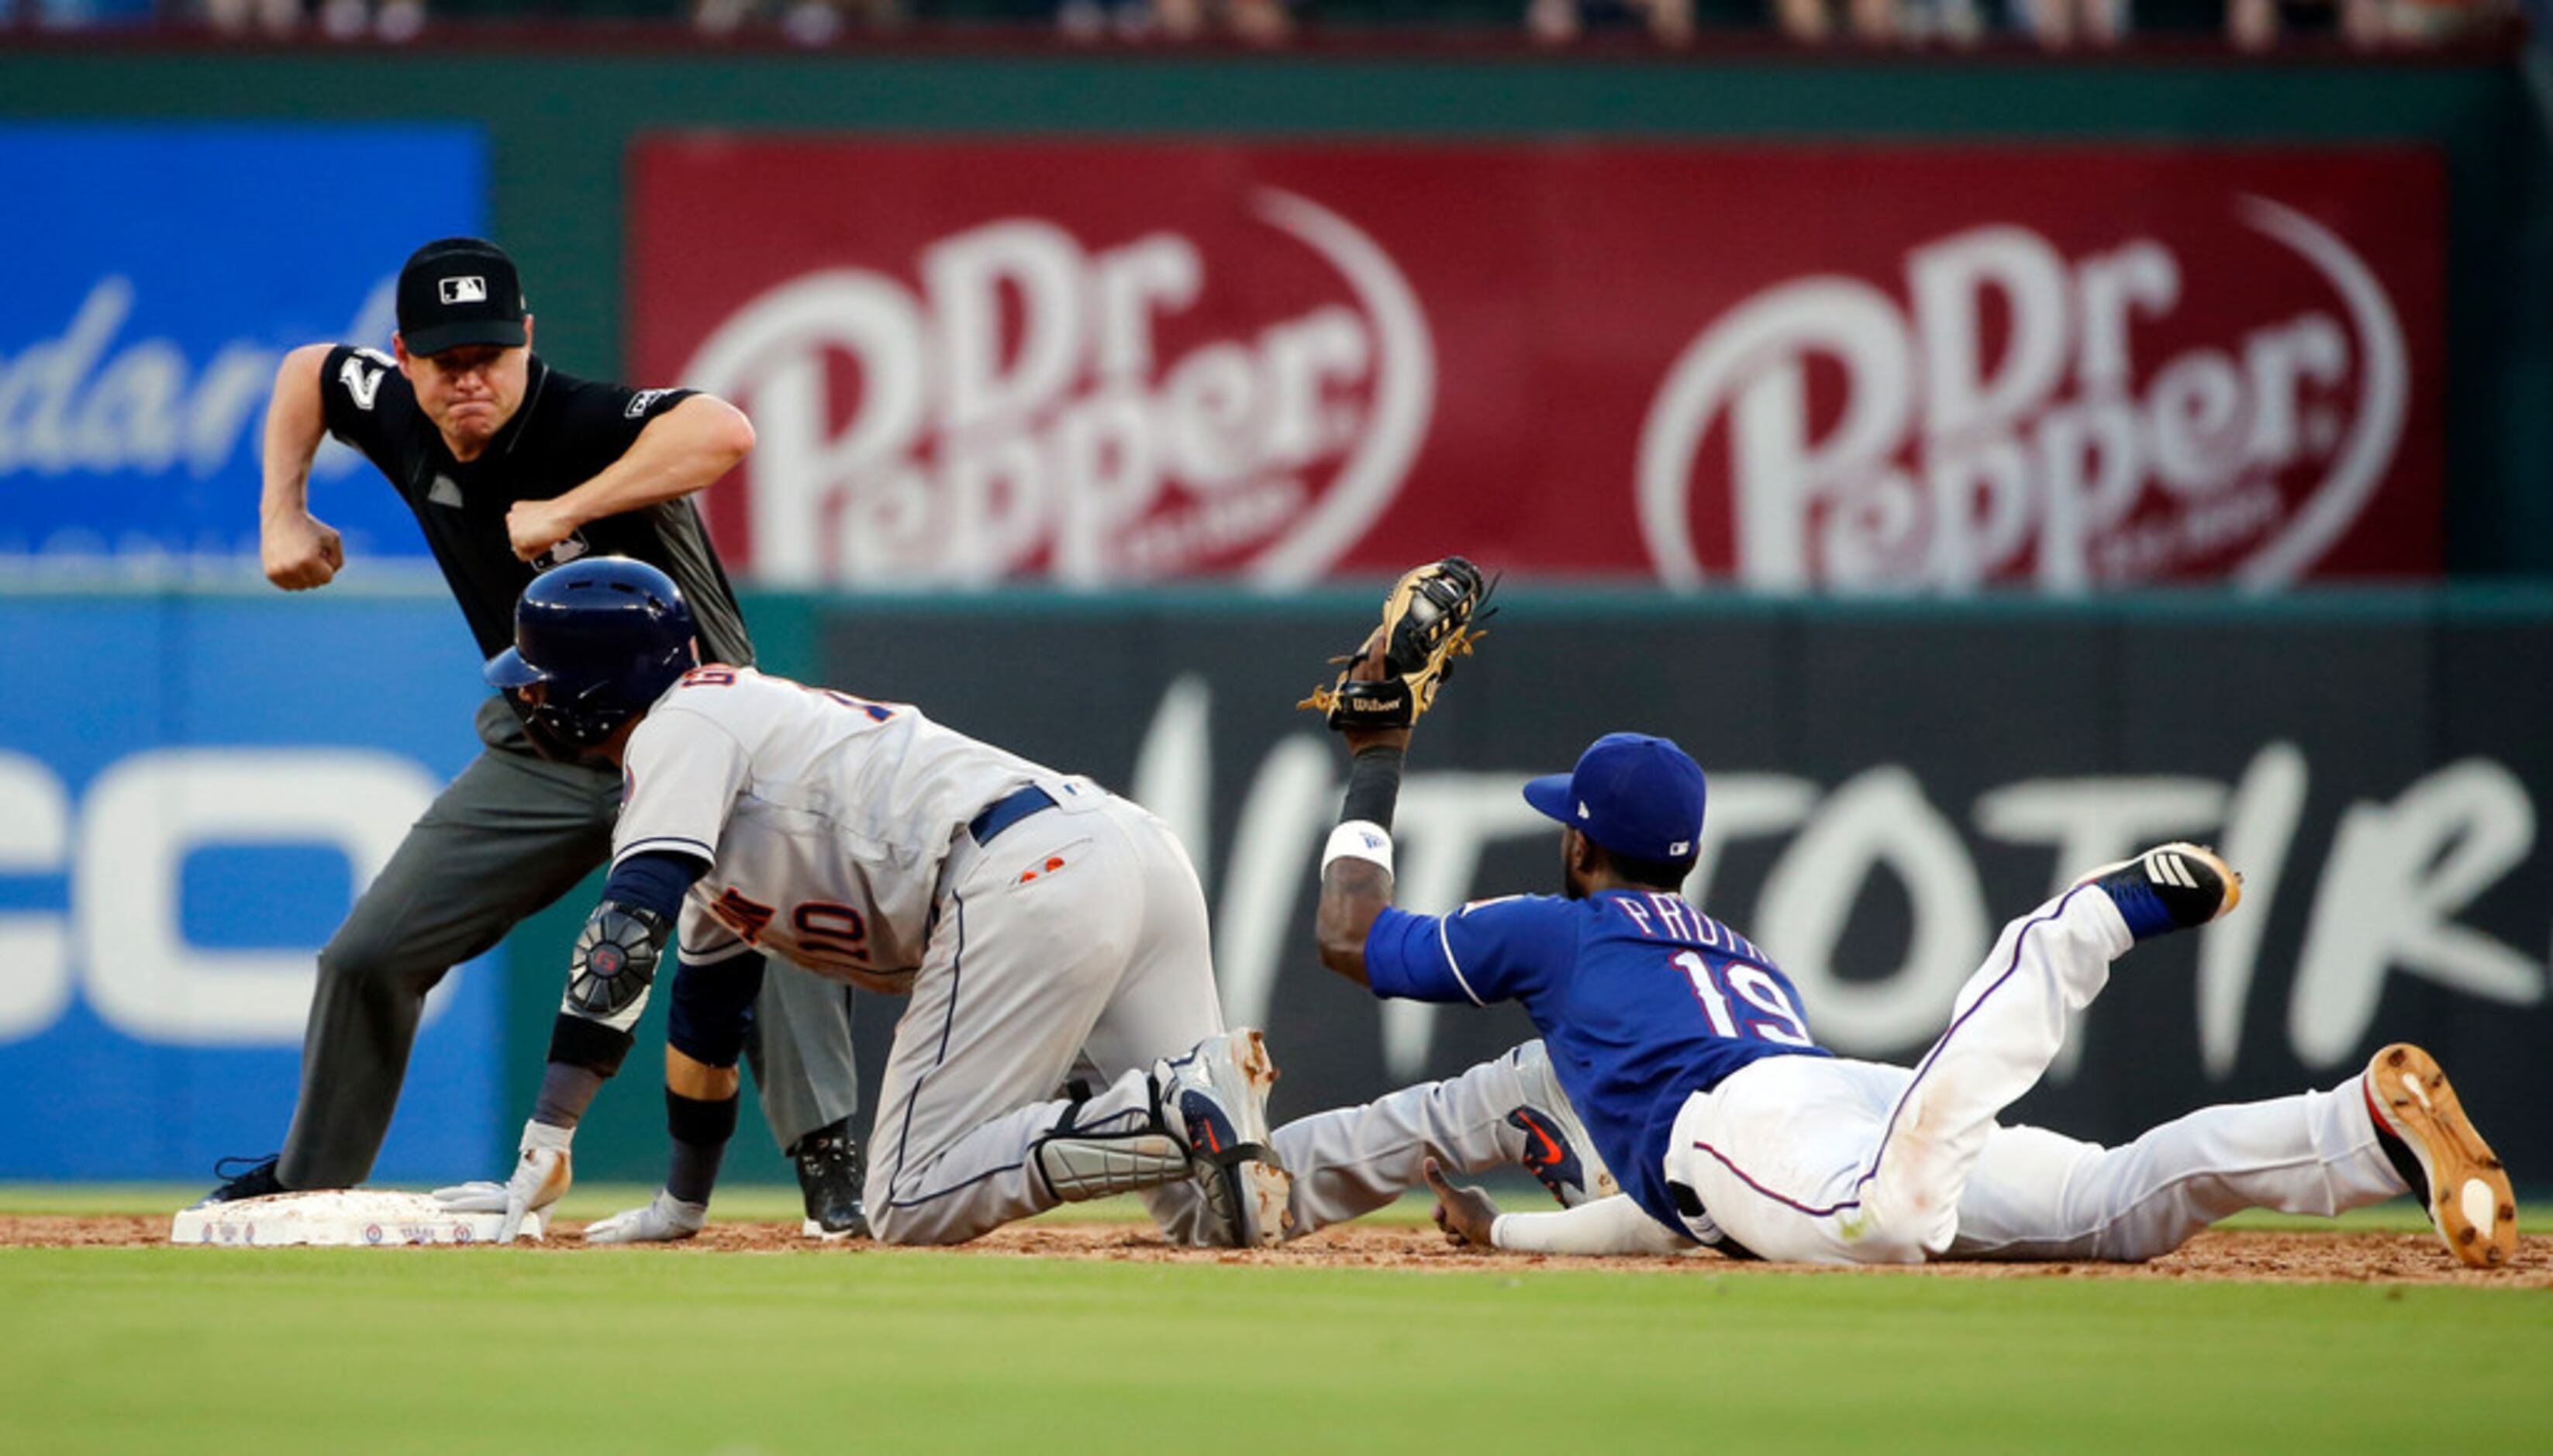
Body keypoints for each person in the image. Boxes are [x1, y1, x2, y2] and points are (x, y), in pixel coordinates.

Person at [1314, 699, 2517, 1268]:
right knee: (2116, 1204)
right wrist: (1514, 1232)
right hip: (1828, 1102)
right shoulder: (1738, 955)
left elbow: (1350, 937)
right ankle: (2355, 1125)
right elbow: (1702, 1211)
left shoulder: (1559, 934)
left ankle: (2086, 919)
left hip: (1752, 1126)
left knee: (1884, 1226)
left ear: (1582, 846)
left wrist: (1374, 758)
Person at [202, 237, 873, 1241]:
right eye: (443, 359)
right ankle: (311, 1180)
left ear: (525, 341)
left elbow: (725, 428)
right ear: (406, 356)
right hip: (545, 746)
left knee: (766, 916)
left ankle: (832, 1173)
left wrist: (573, 504)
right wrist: (281, 510)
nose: (468, 378)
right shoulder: (395, 411)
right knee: (367, 955)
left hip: (700, 737)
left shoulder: (581, 418)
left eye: (488, 353)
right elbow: (308, 369)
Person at [436, 557, 1292, 1249]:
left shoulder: (680, 727)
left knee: (909, 1195)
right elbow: (704, 1028)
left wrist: (545, 1142)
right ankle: (1408, 1136)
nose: (530, 700)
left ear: (601, 686)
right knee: (1212, 1207)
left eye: (543, 682)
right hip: (1115, 849)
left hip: (1022, 871)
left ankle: (1160, 1111)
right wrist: (681, 1205)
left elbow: (623, 937)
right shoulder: (715, 772)